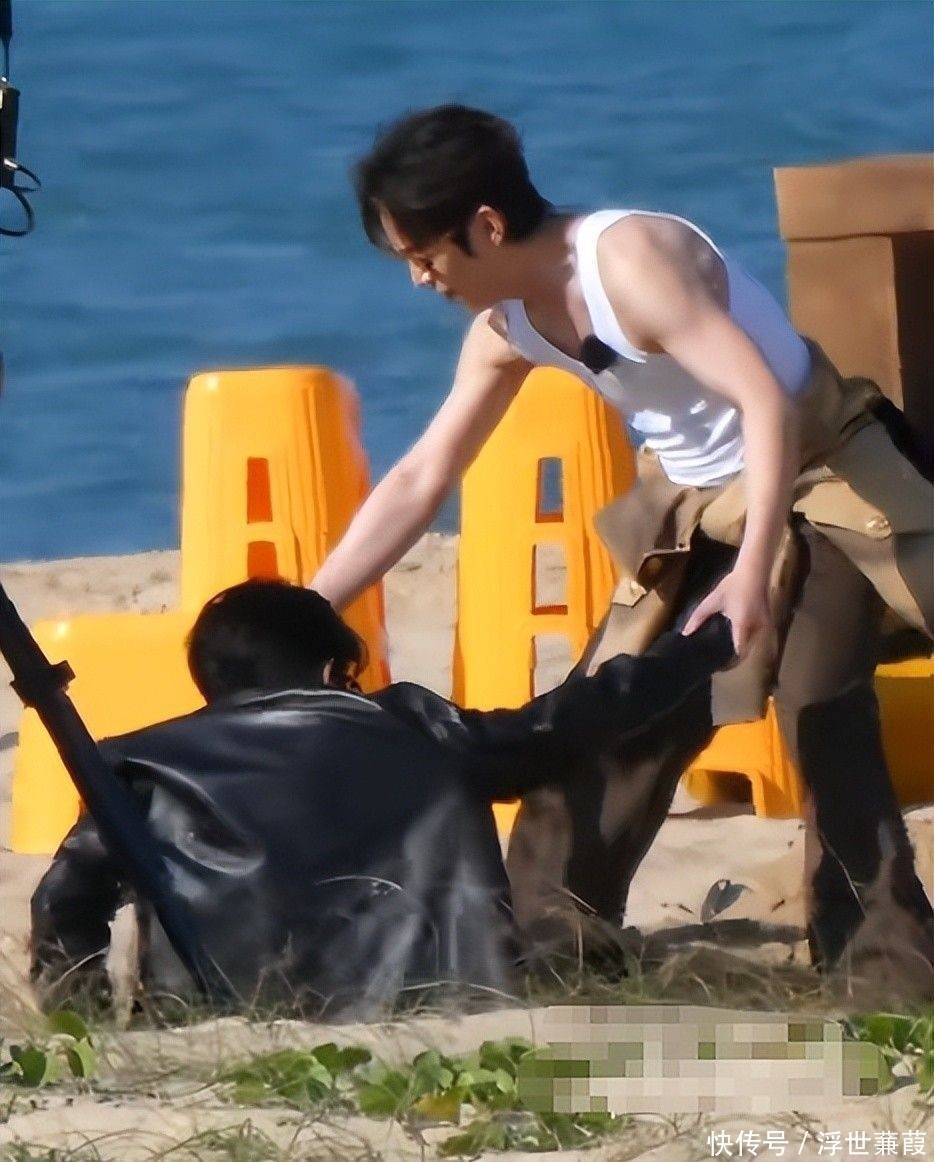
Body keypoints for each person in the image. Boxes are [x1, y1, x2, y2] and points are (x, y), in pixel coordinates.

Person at [309, 104, 934, 969]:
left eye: (425, 256)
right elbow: (422, 477)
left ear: (486, 226)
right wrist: (309, 613)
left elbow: (767, 403)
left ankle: (886, 964)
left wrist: (753, 574)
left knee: (817, 703)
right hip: (701, 506)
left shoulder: (632, 263)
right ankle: (555, 941)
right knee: (610, 709)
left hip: (817, 472)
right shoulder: (506, 328)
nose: (420, 280)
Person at [31, 579, 736, 1018]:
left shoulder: (137, 764)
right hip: (432, 1010)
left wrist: (87, 1021)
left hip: (208, 1017)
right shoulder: (414, 727)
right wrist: (705, 646)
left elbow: (63, 906)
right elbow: (568, 723)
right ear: (334, 671)